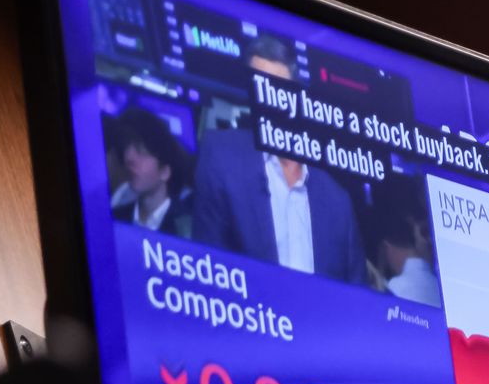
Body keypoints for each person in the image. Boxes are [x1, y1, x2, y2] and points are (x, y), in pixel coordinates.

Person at [192, 36, 366, 285]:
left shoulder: (337, 200)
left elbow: (357, 299)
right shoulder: (222, 157)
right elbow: (206, 264)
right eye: (259, 87)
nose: (268, 100)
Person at [108, 107, 192, 237]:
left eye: (141, 151)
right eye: (126, 149)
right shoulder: (114, 218)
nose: (129, 158)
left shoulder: (186, 230)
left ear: (165, 172)